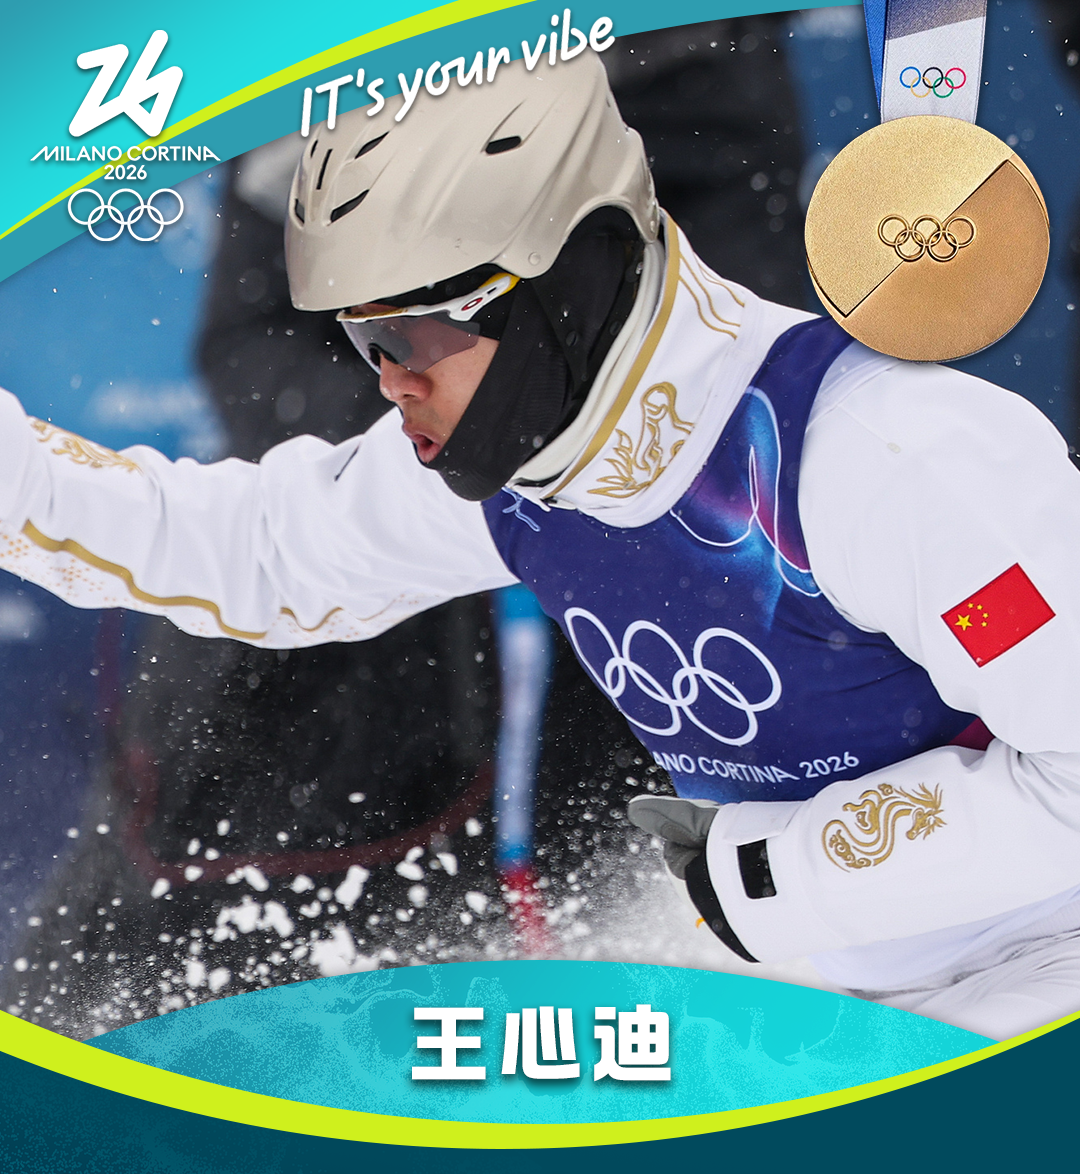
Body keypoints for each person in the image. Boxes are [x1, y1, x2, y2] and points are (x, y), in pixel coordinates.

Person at [3, 50, 1079, 1040]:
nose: (390, 382)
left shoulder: (887, 459)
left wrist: (775, 873)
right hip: (863, 993)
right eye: (361, 339)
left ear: (571, 280)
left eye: (412, 334)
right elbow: (266, 553)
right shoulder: (524, 456)